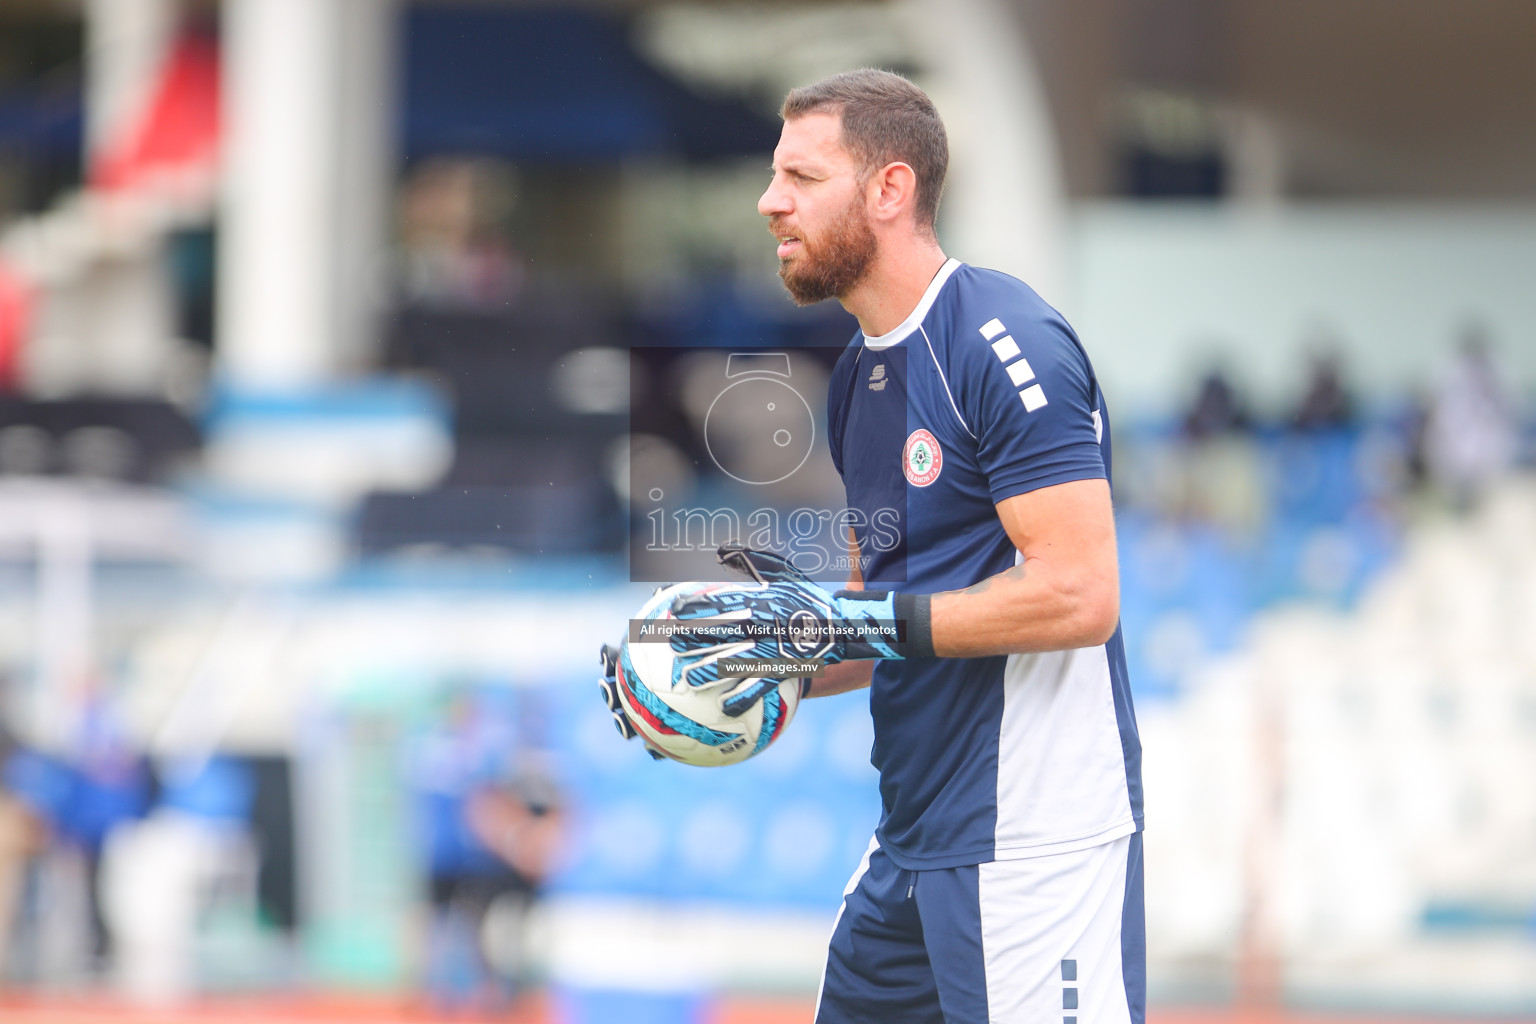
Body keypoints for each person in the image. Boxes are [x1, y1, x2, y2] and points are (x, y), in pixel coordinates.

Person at [602, 69, 1142, 1024]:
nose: (771, 202)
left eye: (802, 178)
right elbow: (871, 619)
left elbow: (1080, 596)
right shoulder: (857, 378)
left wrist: (850, 618)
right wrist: (738, 671)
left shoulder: (1004, 340)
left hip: (1030, 844)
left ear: (889, 190)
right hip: (912, 837)